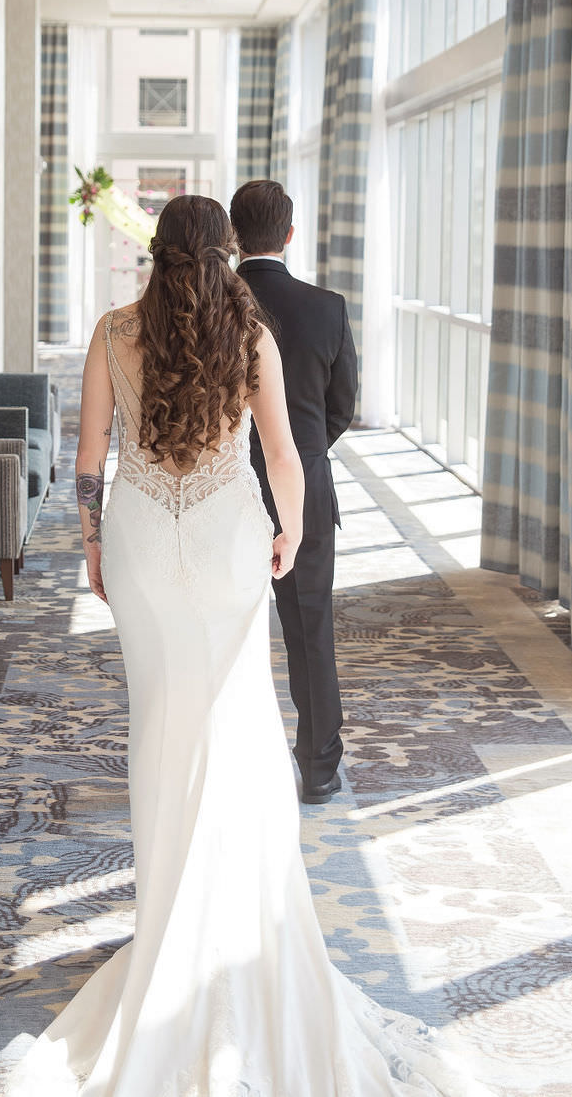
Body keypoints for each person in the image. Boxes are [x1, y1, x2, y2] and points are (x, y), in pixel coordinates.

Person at [5, 192, 487, 1097]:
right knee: (237, 717)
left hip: (145, 538)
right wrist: (291, 535)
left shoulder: (113, 332)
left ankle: (168, 924)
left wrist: (93, 544)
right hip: (231, 539)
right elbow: (284, 455)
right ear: (225, 251)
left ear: (156, 253)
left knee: (159, 723)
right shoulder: (252, 334)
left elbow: (90, 458)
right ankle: (231, 916)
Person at [231, 178, 358, 805]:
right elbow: (343, 409)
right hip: (302, 484)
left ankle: (223, 762)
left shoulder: (211, 308)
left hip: (217, 486)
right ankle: (319, 768)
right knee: (310, 630)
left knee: (221, 628)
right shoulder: (327, 308)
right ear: (289, 233)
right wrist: (302, 455)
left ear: (233, 235)